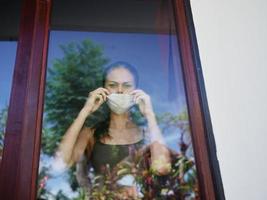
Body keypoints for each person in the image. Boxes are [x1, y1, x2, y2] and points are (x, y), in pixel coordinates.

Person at [56, 61, 171, 198]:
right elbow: (61, 161)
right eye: (112, 85)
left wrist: (150, 115)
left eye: (127, 85)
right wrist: (85, 111)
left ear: (136, 91)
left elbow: (162, 168)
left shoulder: (147, 135)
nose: (120, 91)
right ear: (103, 90)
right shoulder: (91, 133)